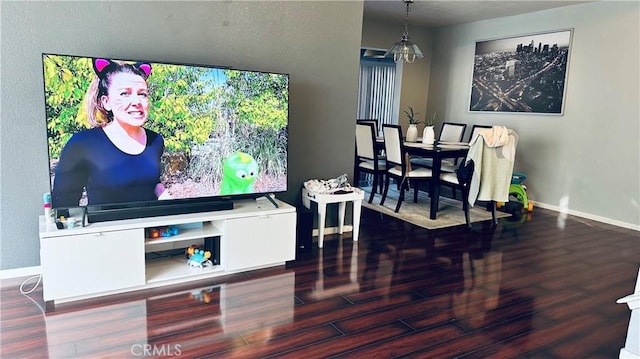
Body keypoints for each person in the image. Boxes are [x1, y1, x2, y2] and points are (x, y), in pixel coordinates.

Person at [52, 58, 168, 208]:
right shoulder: (82, 144)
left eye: (142, 94)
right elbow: (63, 207)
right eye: (125, 93)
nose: (137, 101)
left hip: (151, 230)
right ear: (106, 102)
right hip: (106, 231)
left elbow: (149, 183)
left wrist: (165, 196)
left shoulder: (156, 140)